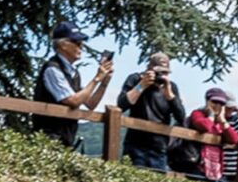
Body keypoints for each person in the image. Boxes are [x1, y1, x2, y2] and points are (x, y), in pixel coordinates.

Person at [31, 20, 112, 148]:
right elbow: (73, 101)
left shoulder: (73, 73)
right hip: (48, 140)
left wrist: (104, 82)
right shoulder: (52, 69)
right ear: (63, 45)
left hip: (65, 139)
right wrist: (96, 78)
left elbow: (91, 104)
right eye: (77, 43)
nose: (81, 47)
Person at [115, 51, 184, 171]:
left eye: (165, 73)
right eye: (159, 72)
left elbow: (181, 118)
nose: (161, 76)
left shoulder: (171, 87)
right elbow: (121, 106)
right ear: (149, 69)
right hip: (135, 144)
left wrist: (170, 96)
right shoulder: (136, 79)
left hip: (159, 147)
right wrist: (141, 85)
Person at [186, 86, 238, 182]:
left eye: (221, 103)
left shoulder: (220, 121)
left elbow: (234, 139)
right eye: (214, 102)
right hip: (197, 165)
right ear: (207, 101)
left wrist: (223, 121)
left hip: (215, 167)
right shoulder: (197, 114)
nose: (217, 106)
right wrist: (211, 115)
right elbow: (204, 126)